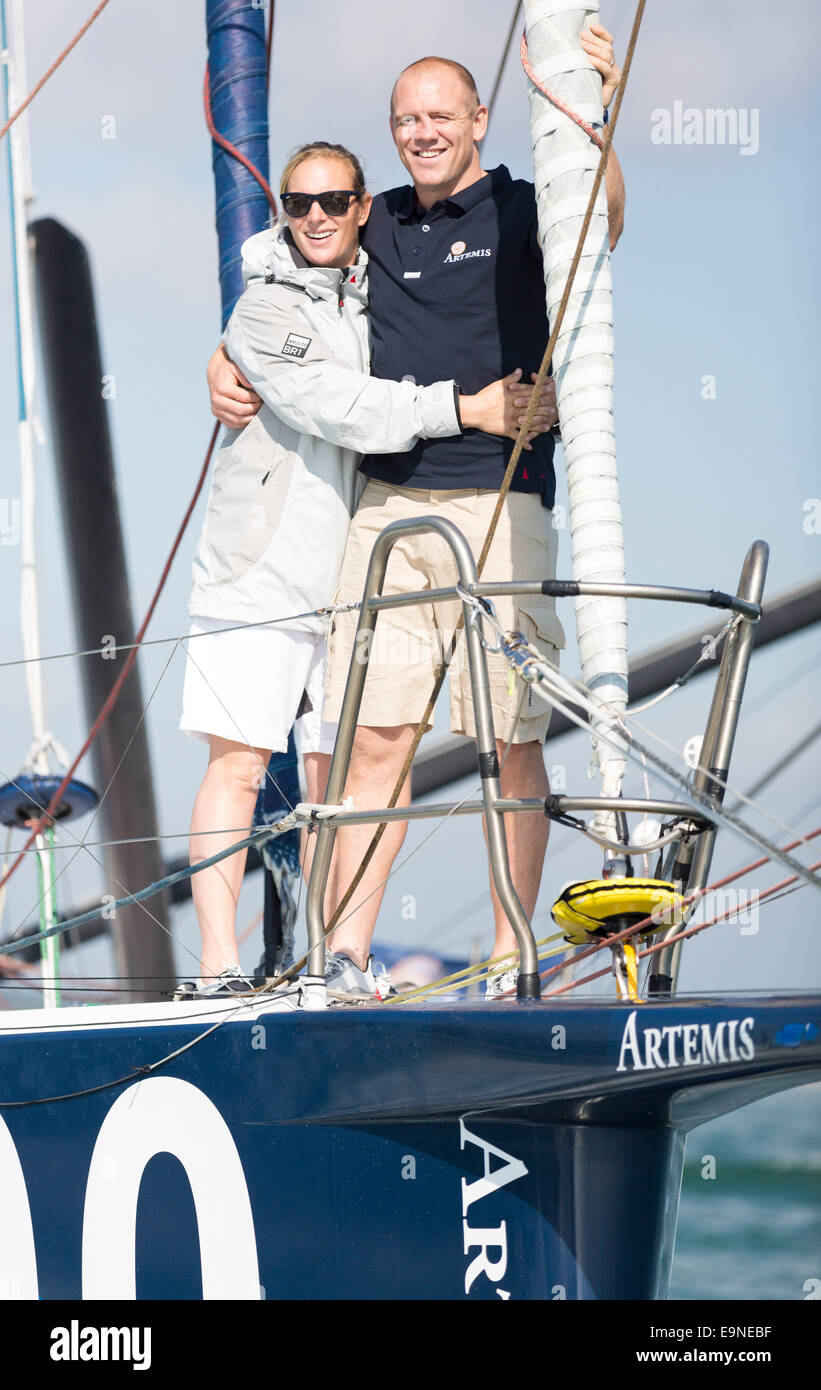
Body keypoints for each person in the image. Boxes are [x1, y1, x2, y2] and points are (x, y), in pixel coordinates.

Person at [208, 28, 624, 1002]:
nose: (423, 133)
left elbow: (601, 219)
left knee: (507, 739)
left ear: (478, 120)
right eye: (406, 120)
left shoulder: (525, 207)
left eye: (441, 116)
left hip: (501, 503)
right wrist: (229, 356)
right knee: (375, 739)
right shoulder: (376, 220)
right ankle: (347, 955)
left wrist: (590, 108)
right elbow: (278, 263)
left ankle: (509, 951)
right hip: (387, 511)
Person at [184, 141, 555, 997]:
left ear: (364, 210)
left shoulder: (372, 291)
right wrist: (467, 408)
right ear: (282, 210)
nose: (315, 215)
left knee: (332, 776)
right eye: (297, 202)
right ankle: (216, 968)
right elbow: (342, 408)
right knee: (239, 764)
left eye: (334, 200)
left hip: (348, 573)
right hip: (262, 568)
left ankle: (324, 959)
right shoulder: (263, 311)